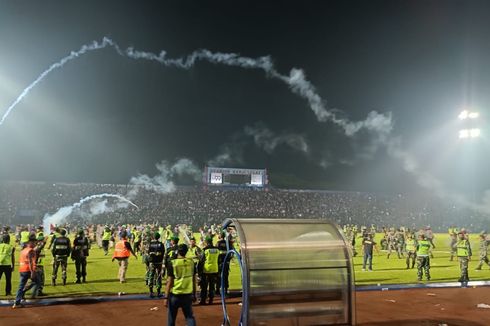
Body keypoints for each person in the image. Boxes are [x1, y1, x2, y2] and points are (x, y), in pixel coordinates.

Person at [164, 243, 197, 326]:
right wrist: (194, 294)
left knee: (171, 318)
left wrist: (166, 297)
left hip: (175, 294)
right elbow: (194, 280)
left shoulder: (173, 263)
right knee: (189, 317)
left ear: (177, 251)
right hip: (187, 294)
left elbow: (169, 282)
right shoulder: (191, 262)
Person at [13, 234, 38, 308]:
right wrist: (32, 272)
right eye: (34, 243)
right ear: (30, 243)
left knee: (21, 286)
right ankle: (24, 292)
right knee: (37, 281)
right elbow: (30, 262)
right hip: (28, 270)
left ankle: (17, 302)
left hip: (22, 269)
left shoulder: (23, 250)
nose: (35, 244)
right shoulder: (31, 251)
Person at [199, 236, 219, 305]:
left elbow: (201, 260)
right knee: (212, 285)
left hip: (206, 269)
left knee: (204, 286)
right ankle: (211, 300)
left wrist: (199, 270)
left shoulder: (205, 250)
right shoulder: (217, 249)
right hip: (214, 269)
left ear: (206, 242)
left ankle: (203, 300)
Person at [147, 232, 165, 297]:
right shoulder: (161, 244)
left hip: (152, 262)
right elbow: (163, 253)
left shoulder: (150, 244)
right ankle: (158, 292)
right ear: (159, 237)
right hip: (159, 262)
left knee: (151, 275)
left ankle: (151, 292)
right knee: (158, 276)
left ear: (153, 237)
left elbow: (148, 252)